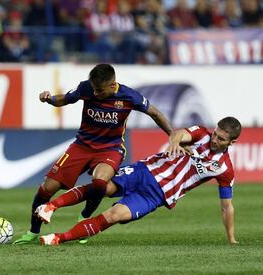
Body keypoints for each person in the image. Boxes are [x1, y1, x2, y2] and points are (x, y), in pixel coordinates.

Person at [14, 63, 173, 244]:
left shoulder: (130, 96)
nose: (95, 94)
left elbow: (156, 113)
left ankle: (85, 216)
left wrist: (173, 135)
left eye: (100, 91)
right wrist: (49, 99)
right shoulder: (86, 87)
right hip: (82, 145)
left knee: (100, 182)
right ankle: (33, 231)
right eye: (94, 90)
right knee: (47, 188)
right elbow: (65, 99)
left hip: (111, 148)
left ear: (113, 85)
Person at [38, 117, 241, 246]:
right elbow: (179, 133)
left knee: (114, 215)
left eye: (221, 139)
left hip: (157, 195)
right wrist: (176, 142)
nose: (214, 140)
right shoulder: (202, 134)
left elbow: (227, 207)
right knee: (104, 187)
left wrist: (231, 239)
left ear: (232, 142)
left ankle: (58, 238)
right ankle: (51, 206)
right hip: (144, 170)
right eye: (215, 134)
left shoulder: (224, 169)